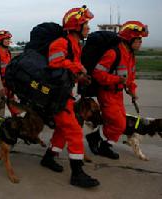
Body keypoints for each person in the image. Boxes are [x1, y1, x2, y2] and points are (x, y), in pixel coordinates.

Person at [40, 6, 100, 188]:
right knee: (74, 131)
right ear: (75, 27)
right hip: (57, 98)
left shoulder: (75, 45)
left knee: (61, 130)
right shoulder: (60, 43)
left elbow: (69, 67)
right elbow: (55, 63)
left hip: (67, 95)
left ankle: (48, 158)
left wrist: (81, 75)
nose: (88, 28)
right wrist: (78, 69)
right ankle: (77, 173)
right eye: (86, 24)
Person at [91, 21, 148, 159]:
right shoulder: (113, 53)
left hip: (117, 95)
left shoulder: (130, 56)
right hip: (106, 94)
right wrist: (117, 80)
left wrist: (132, 91)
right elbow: (97, 74)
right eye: (138, 39)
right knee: (119, 124)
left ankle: (98, 140)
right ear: (129, 39)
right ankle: (103, 145)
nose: (140, 42)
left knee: (119, 122)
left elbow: (130, 78)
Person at [0, 30, 19, 116]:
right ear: (0, 41)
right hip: (0, 85)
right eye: (7, 39)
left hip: (8, 83)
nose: (9, 41)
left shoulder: (8, 53)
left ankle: (15, 119)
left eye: (9, 39)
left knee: (12, 103)